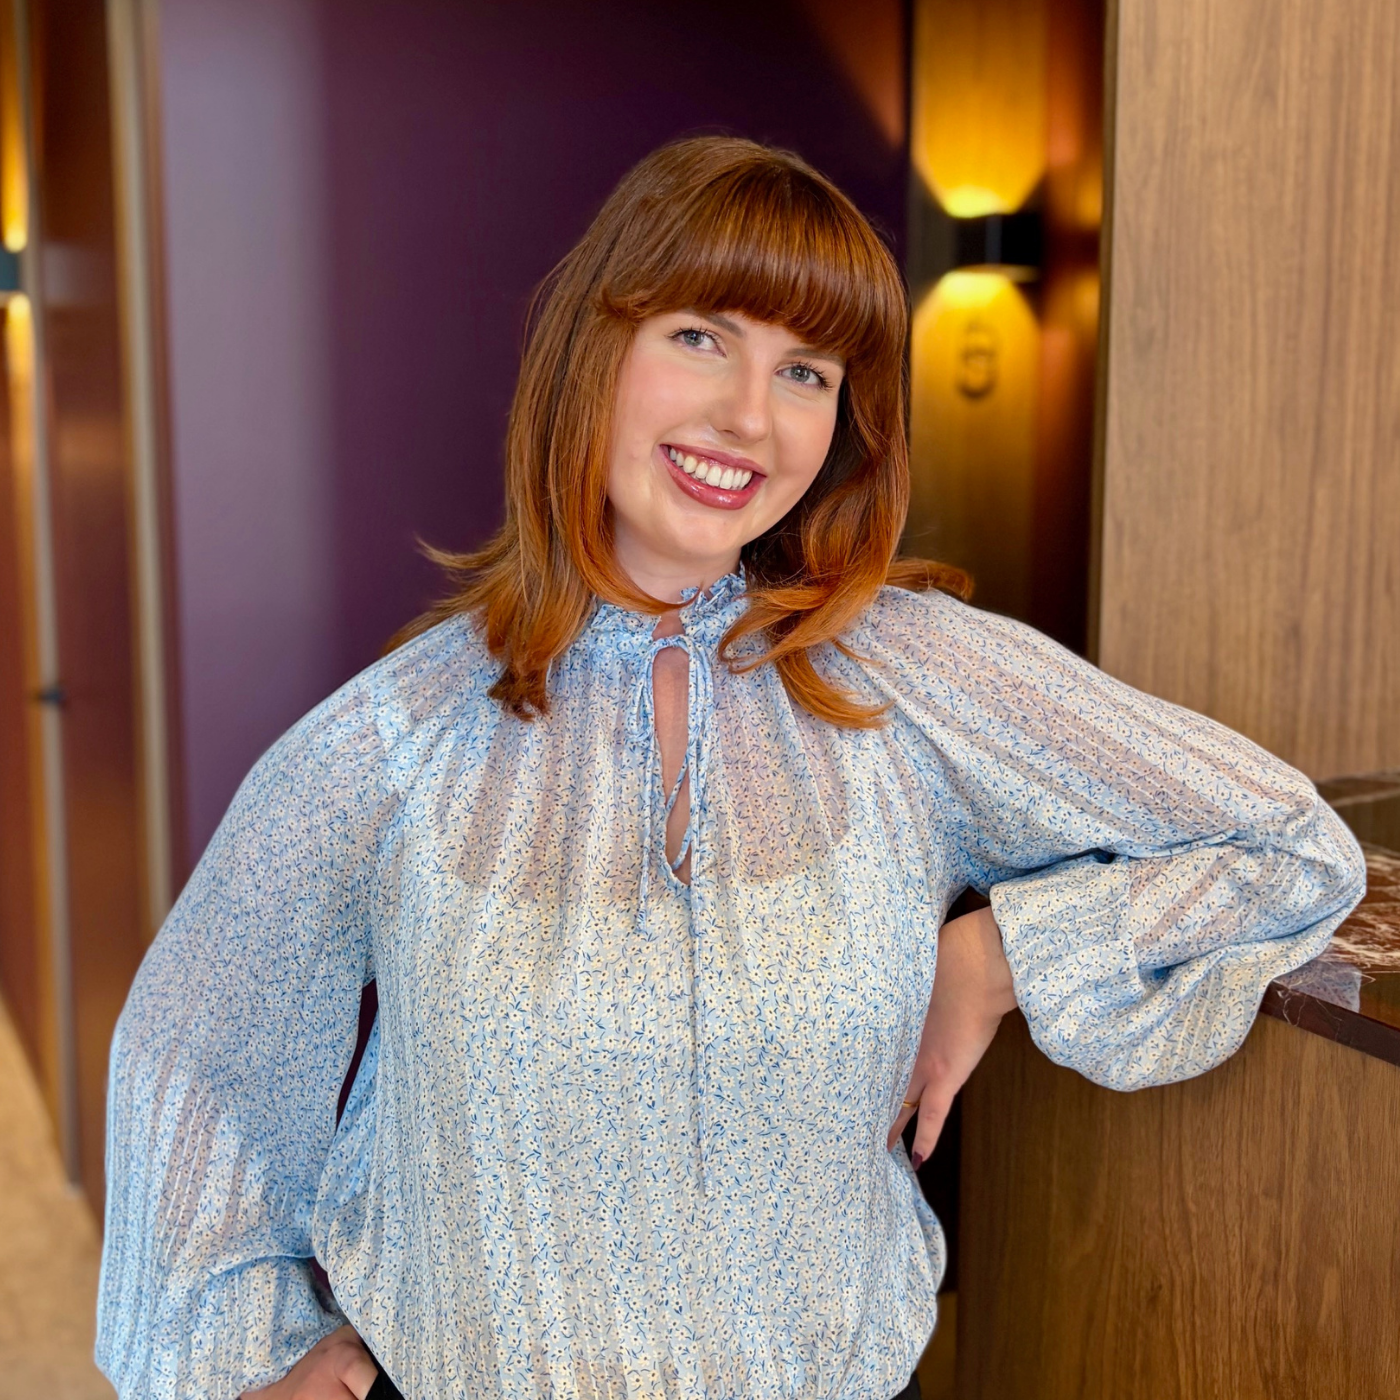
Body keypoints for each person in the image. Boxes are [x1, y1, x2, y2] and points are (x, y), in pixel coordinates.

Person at [96, 137, 1364, 1400]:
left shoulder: (913, 679)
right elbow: (198, 1057)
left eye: (805, 370)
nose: (749, 417)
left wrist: (998, 954)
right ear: (594, 350)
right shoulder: (396, 736)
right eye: (700, 336)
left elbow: (1285, 845)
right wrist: (253, 1353)